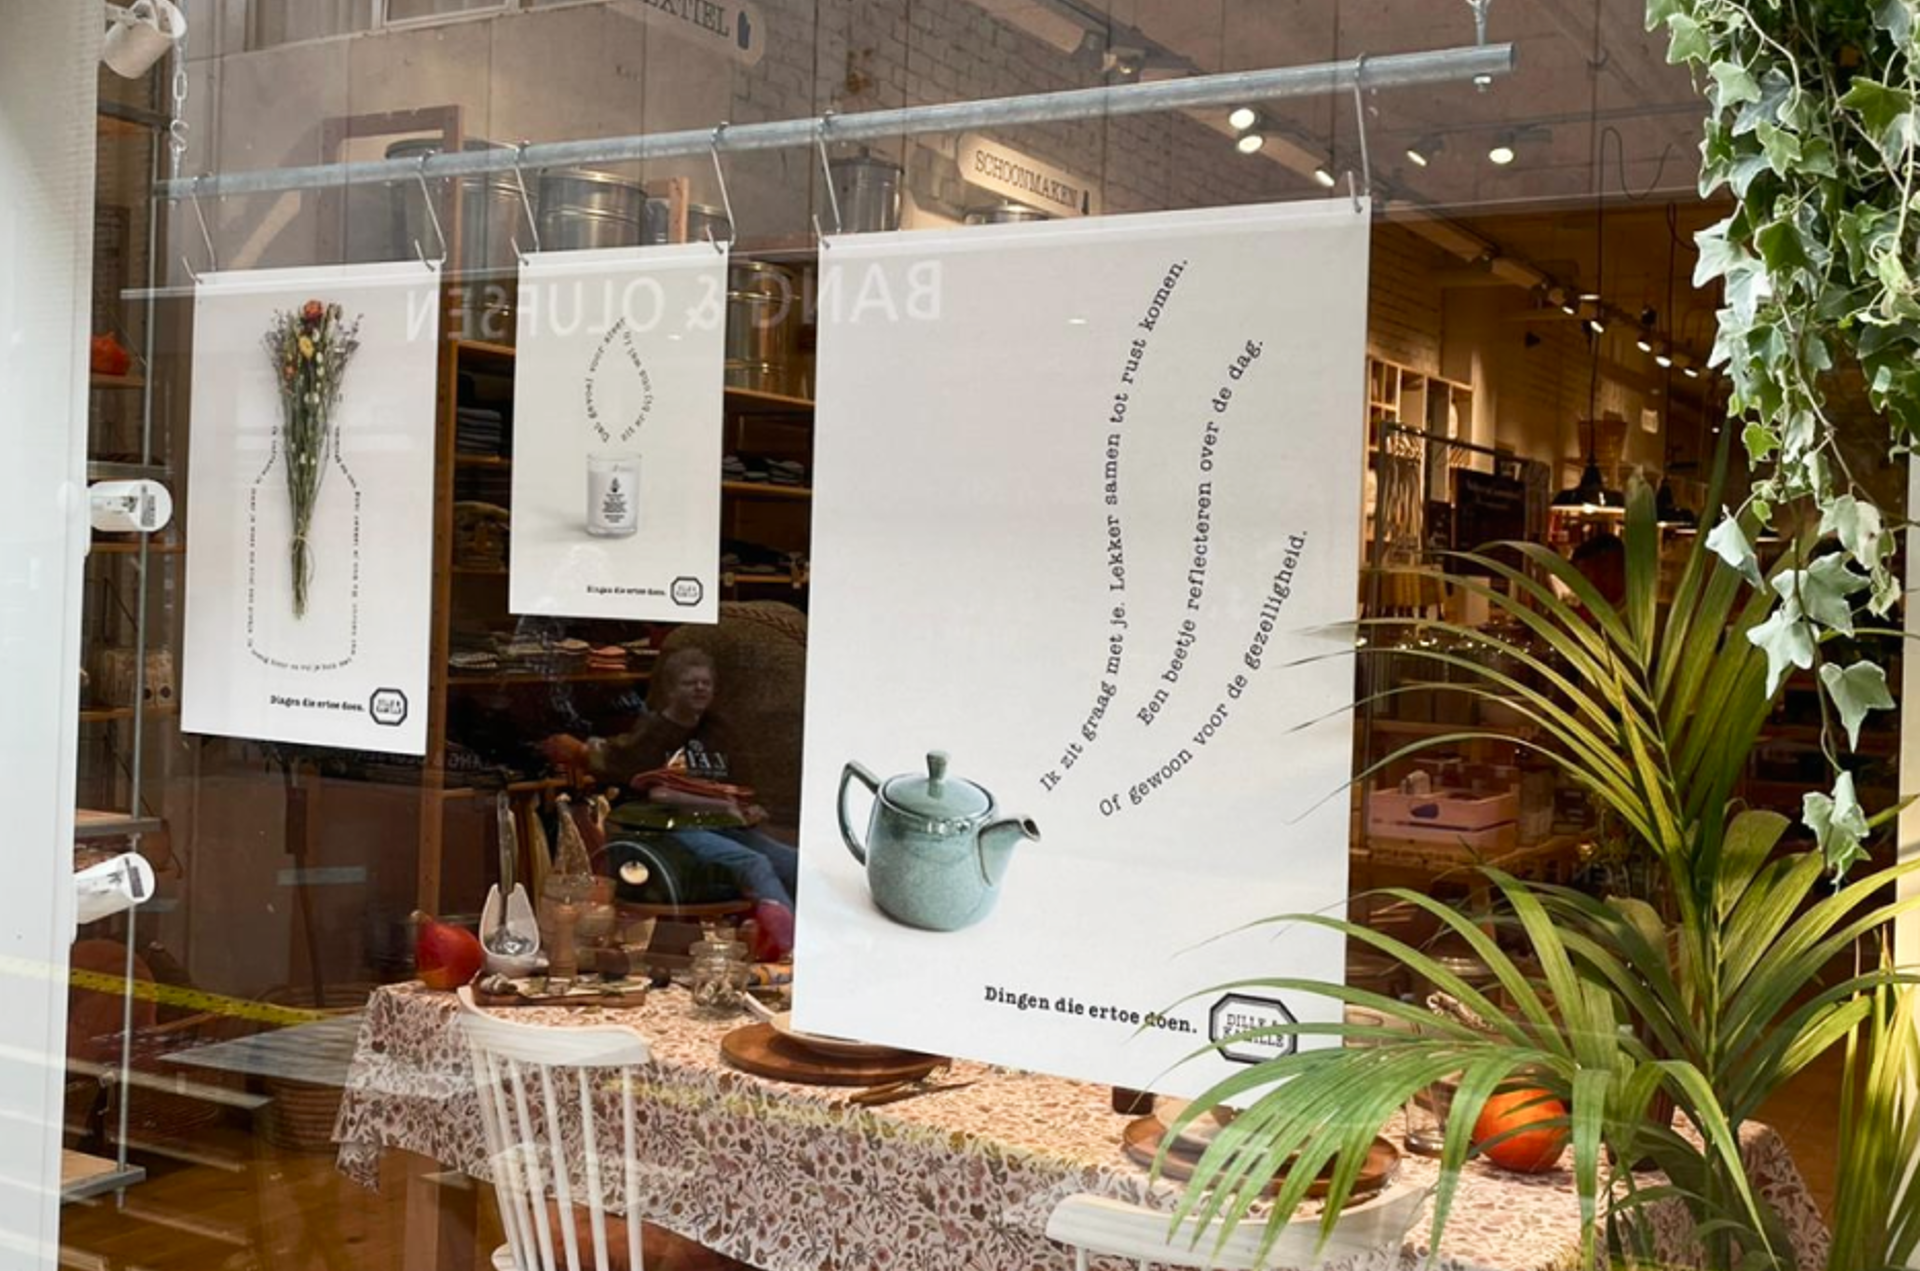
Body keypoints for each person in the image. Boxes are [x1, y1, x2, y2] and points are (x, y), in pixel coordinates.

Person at [543, 647, 799, 912]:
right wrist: (583, 753)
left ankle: (807, 928)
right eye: (690, 683)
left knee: (793, 862)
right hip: (670, 830)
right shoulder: (655, 732)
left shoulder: (718, 730)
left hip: (722, 823)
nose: (699, 689)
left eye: (706, 683)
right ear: (672, 690)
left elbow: (738, 780)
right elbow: (647, 783)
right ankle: (785, 932)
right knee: (754, 864)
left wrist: (748, 805)